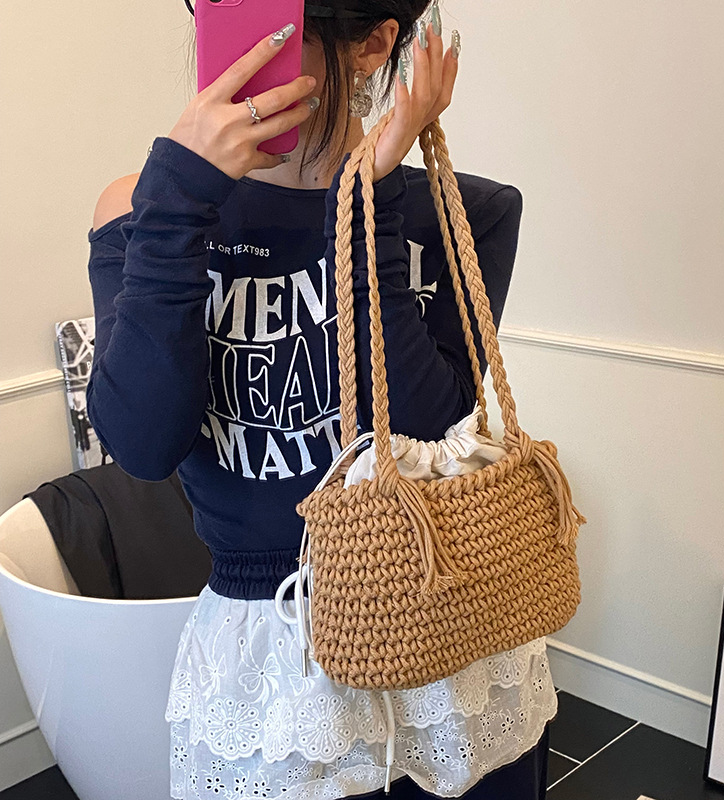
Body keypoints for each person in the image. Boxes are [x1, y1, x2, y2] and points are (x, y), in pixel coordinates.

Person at [86, 1, 557, 797]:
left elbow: (418, 428)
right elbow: (143, 443)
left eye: (269, 14)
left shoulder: (466, 211)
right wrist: (178, 201)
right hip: (270, 667)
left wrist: (370, 197)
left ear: (373, 42)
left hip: (448, 640)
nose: (231, 42)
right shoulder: (148, 211)